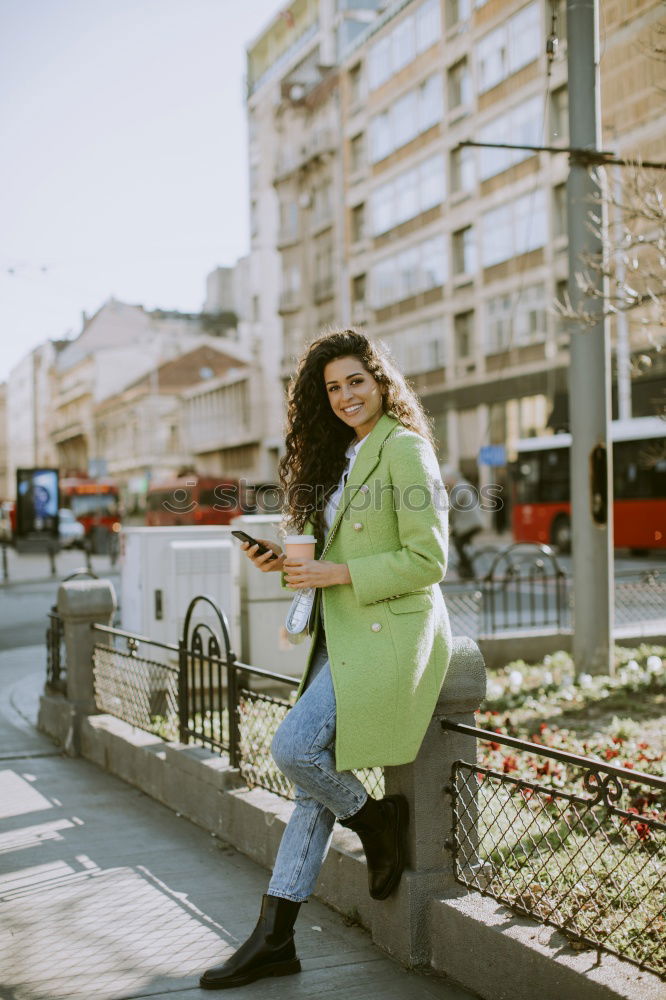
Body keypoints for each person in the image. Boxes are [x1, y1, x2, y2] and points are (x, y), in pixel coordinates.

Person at [199, 329, 452, 991]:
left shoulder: (403, 448)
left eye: (355, 382)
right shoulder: (344, 456)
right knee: (311, 793)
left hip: (388, 634)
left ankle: (374, 820)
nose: (344, 396)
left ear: (380, 380)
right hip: (342, 633)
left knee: (294, 752)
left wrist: (337, 572)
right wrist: (287, 565)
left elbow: (429, 561)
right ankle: (276, 936)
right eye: (332, 388)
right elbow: (326, 571)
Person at [442, 468, 484, 580]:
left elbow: (452, 506)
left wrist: (441, 515)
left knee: (459, 543)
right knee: (459, 543)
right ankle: (464, 566)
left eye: (446, 479)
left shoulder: (462, 487)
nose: (445, 482)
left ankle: (468, 570)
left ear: (452, 478)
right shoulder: (457, 488)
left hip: (471, 524)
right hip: (466, 524)